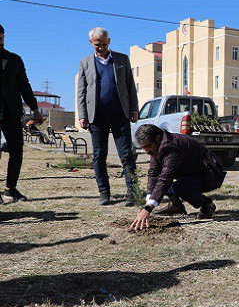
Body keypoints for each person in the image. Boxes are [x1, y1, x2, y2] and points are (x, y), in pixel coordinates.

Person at [77, 27, 139, 206]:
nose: (101, 48)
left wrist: (133, 109)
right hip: (96, 117)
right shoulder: (85, 63)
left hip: (120, 115)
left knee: (126, 154)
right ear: (91, 43)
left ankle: (132, 192)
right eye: (97, 45)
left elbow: (130, 86)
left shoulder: (122, 60)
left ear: (109, 41)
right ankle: (104, 192)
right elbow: (81, 91)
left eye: (104, 44)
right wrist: (82, 115)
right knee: (99, 156)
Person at [130, 124, 226, 231]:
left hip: (211, 174)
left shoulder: (171, 147)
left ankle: (207, 204)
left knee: (179, 187)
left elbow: (165, 178)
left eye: (148, 146)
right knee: (163, 181)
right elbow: (154, 173)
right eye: (144, 148)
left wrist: (148, 209)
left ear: (157, 138)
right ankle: (177, 207)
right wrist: (147, 203)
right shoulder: (157, 146)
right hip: (193, 172)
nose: (147, 151)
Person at [0, 23, 43, 203]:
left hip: (11, 113)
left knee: (17, 151)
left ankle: (10, 189)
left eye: (1, 38)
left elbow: (25, 86)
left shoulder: (14, 60)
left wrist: (35, 109)